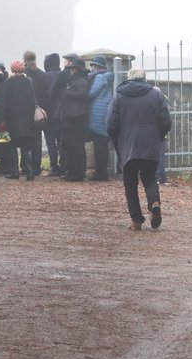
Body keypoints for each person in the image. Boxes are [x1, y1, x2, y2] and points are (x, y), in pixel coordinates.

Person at [106, 68, 172, 230]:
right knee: (149, 178)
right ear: (144, 78)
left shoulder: (119, 95)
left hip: (128, 144)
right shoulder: (156, 94)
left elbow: (111, 123)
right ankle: (154, 202)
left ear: (129, 78)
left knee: (130, 183)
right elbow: (166, 121)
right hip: (150, 143)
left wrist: (117, 139)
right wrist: (158, 136)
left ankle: (136, 220)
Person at [0, 60, 40, 180]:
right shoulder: (29, 82)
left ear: (12, 70)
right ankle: (29, 172)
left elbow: (2, 103)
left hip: (11, 119)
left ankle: (14, 171)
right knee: (26, 146)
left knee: (10, 145)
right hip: (27, 118)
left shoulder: (7, 84)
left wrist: (1, 118)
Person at [56, 57, 92, 182]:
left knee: (75, 146)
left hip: (76, 118)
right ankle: (72, 171)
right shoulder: (76, 80)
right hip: (73, 117)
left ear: (76, 69)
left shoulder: (81, 80)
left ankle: (76, 173)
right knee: (71, 146)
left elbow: (83, 94)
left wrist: (67, 92)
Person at [22, 50, 49, 177]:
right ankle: (36, 166)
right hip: (40, 109)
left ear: (24, 60)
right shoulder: (42, 75)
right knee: (37, 139)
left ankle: (26, 166)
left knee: (26, 138)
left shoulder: (24, 75)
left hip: (26, 110)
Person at [87, 56, 115, 181]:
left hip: (97, 114)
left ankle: (101, 173)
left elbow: (91, 94)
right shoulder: (107, 77)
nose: (91, 68)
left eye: (93, 66)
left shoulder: (99, 78)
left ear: (97, 66)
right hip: (104, 113)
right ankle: (102, 172)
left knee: (99, 146)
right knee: (102, 144)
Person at [43, 53, 64, 175]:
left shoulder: (45, 77)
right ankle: (64, 164)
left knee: (50, 141)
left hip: (48, 113)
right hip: (61, 112)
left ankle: (54, 166)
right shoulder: (63, 76)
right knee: (61, 140)